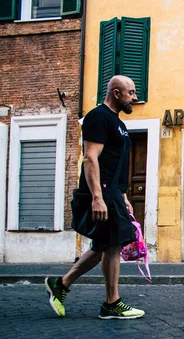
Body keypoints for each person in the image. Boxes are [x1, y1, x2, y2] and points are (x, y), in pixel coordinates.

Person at [44, 75, 145, 319]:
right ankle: (112, 303)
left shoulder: (117, 123)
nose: (135, 97)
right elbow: (91, 158)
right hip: (102, 190)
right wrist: (97, 197)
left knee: (105, 245)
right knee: (112, 243)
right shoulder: (98, 116)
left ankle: (62, 284)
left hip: (113, 191)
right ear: (117, 93)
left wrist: (122, 195)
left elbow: (115, 162)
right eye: (131, 92)